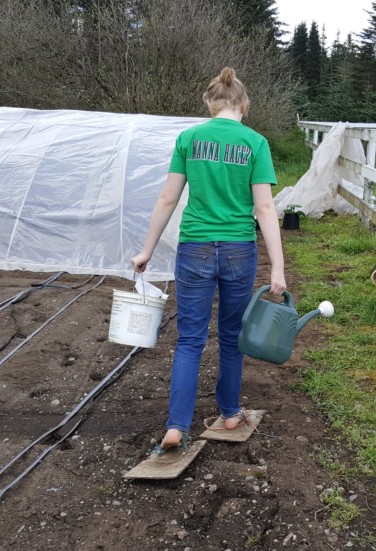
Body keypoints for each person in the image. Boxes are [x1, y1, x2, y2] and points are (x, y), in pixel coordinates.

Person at [130, 67, 286, 453]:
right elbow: (265, 208)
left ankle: (176, 427)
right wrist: (278, 267)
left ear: (210, 104)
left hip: (194, 247)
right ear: (244, 105)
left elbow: (168, 198)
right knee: (232, 337)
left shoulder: (189, 139)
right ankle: (230, 413)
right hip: (238, 249)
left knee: (189, 340)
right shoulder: (255, 143)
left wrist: (147, 250)